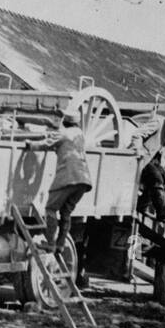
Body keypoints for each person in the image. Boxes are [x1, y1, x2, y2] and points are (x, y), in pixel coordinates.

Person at [31, 110, 93, 258]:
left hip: (68, 178)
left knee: (51, 209)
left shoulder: (63, 133)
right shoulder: (80, 134)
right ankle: (60, 244)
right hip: (83, 179)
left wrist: (30, 144)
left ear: (64, 121)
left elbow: (46, 144)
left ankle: (50, 243)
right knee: (66, 212)